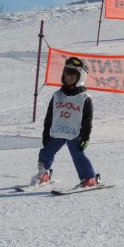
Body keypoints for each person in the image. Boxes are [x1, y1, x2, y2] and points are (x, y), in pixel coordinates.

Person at [29, 56, 101, 189]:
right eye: (67, 74)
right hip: (56, 132)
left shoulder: (84, 98)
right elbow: (49, 116)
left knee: (78, 156)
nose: (68, 77)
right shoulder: (57, 95)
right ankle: (44, 173)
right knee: (46, 152)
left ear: (81, 77)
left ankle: (89, 178)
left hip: (74, 134)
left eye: (73, 75)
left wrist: (85, 136)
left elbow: (87, 121)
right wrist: (46, 132)